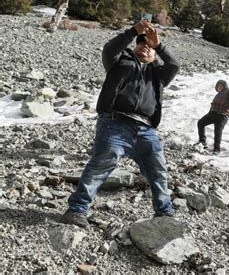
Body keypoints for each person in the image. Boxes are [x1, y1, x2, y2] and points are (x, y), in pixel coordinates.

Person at [61, 21, 179, 228]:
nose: (145, 46)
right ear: (134, 46)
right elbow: (110, 48)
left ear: (154, 55)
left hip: (146, 129)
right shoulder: (120, 61)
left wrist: (159, 45)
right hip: (115, 121)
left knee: (157, 169)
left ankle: (164, 213)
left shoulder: (158, 74)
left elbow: (175, 65)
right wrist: (135, 31)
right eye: (141, 44)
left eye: (150, 47)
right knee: (102, 162)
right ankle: (76, 210)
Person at [196, 80, 229, 155]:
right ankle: (202, 142)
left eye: (222, 85)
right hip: (212, 114)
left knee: (217, 131)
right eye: (218, 85)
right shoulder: (218, 95)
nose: (220, 86)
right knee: (200, 123)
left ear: (225, 85)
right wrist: (209, 114)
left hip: (222, 115)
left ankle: (216, 150)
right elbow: (213, 105)